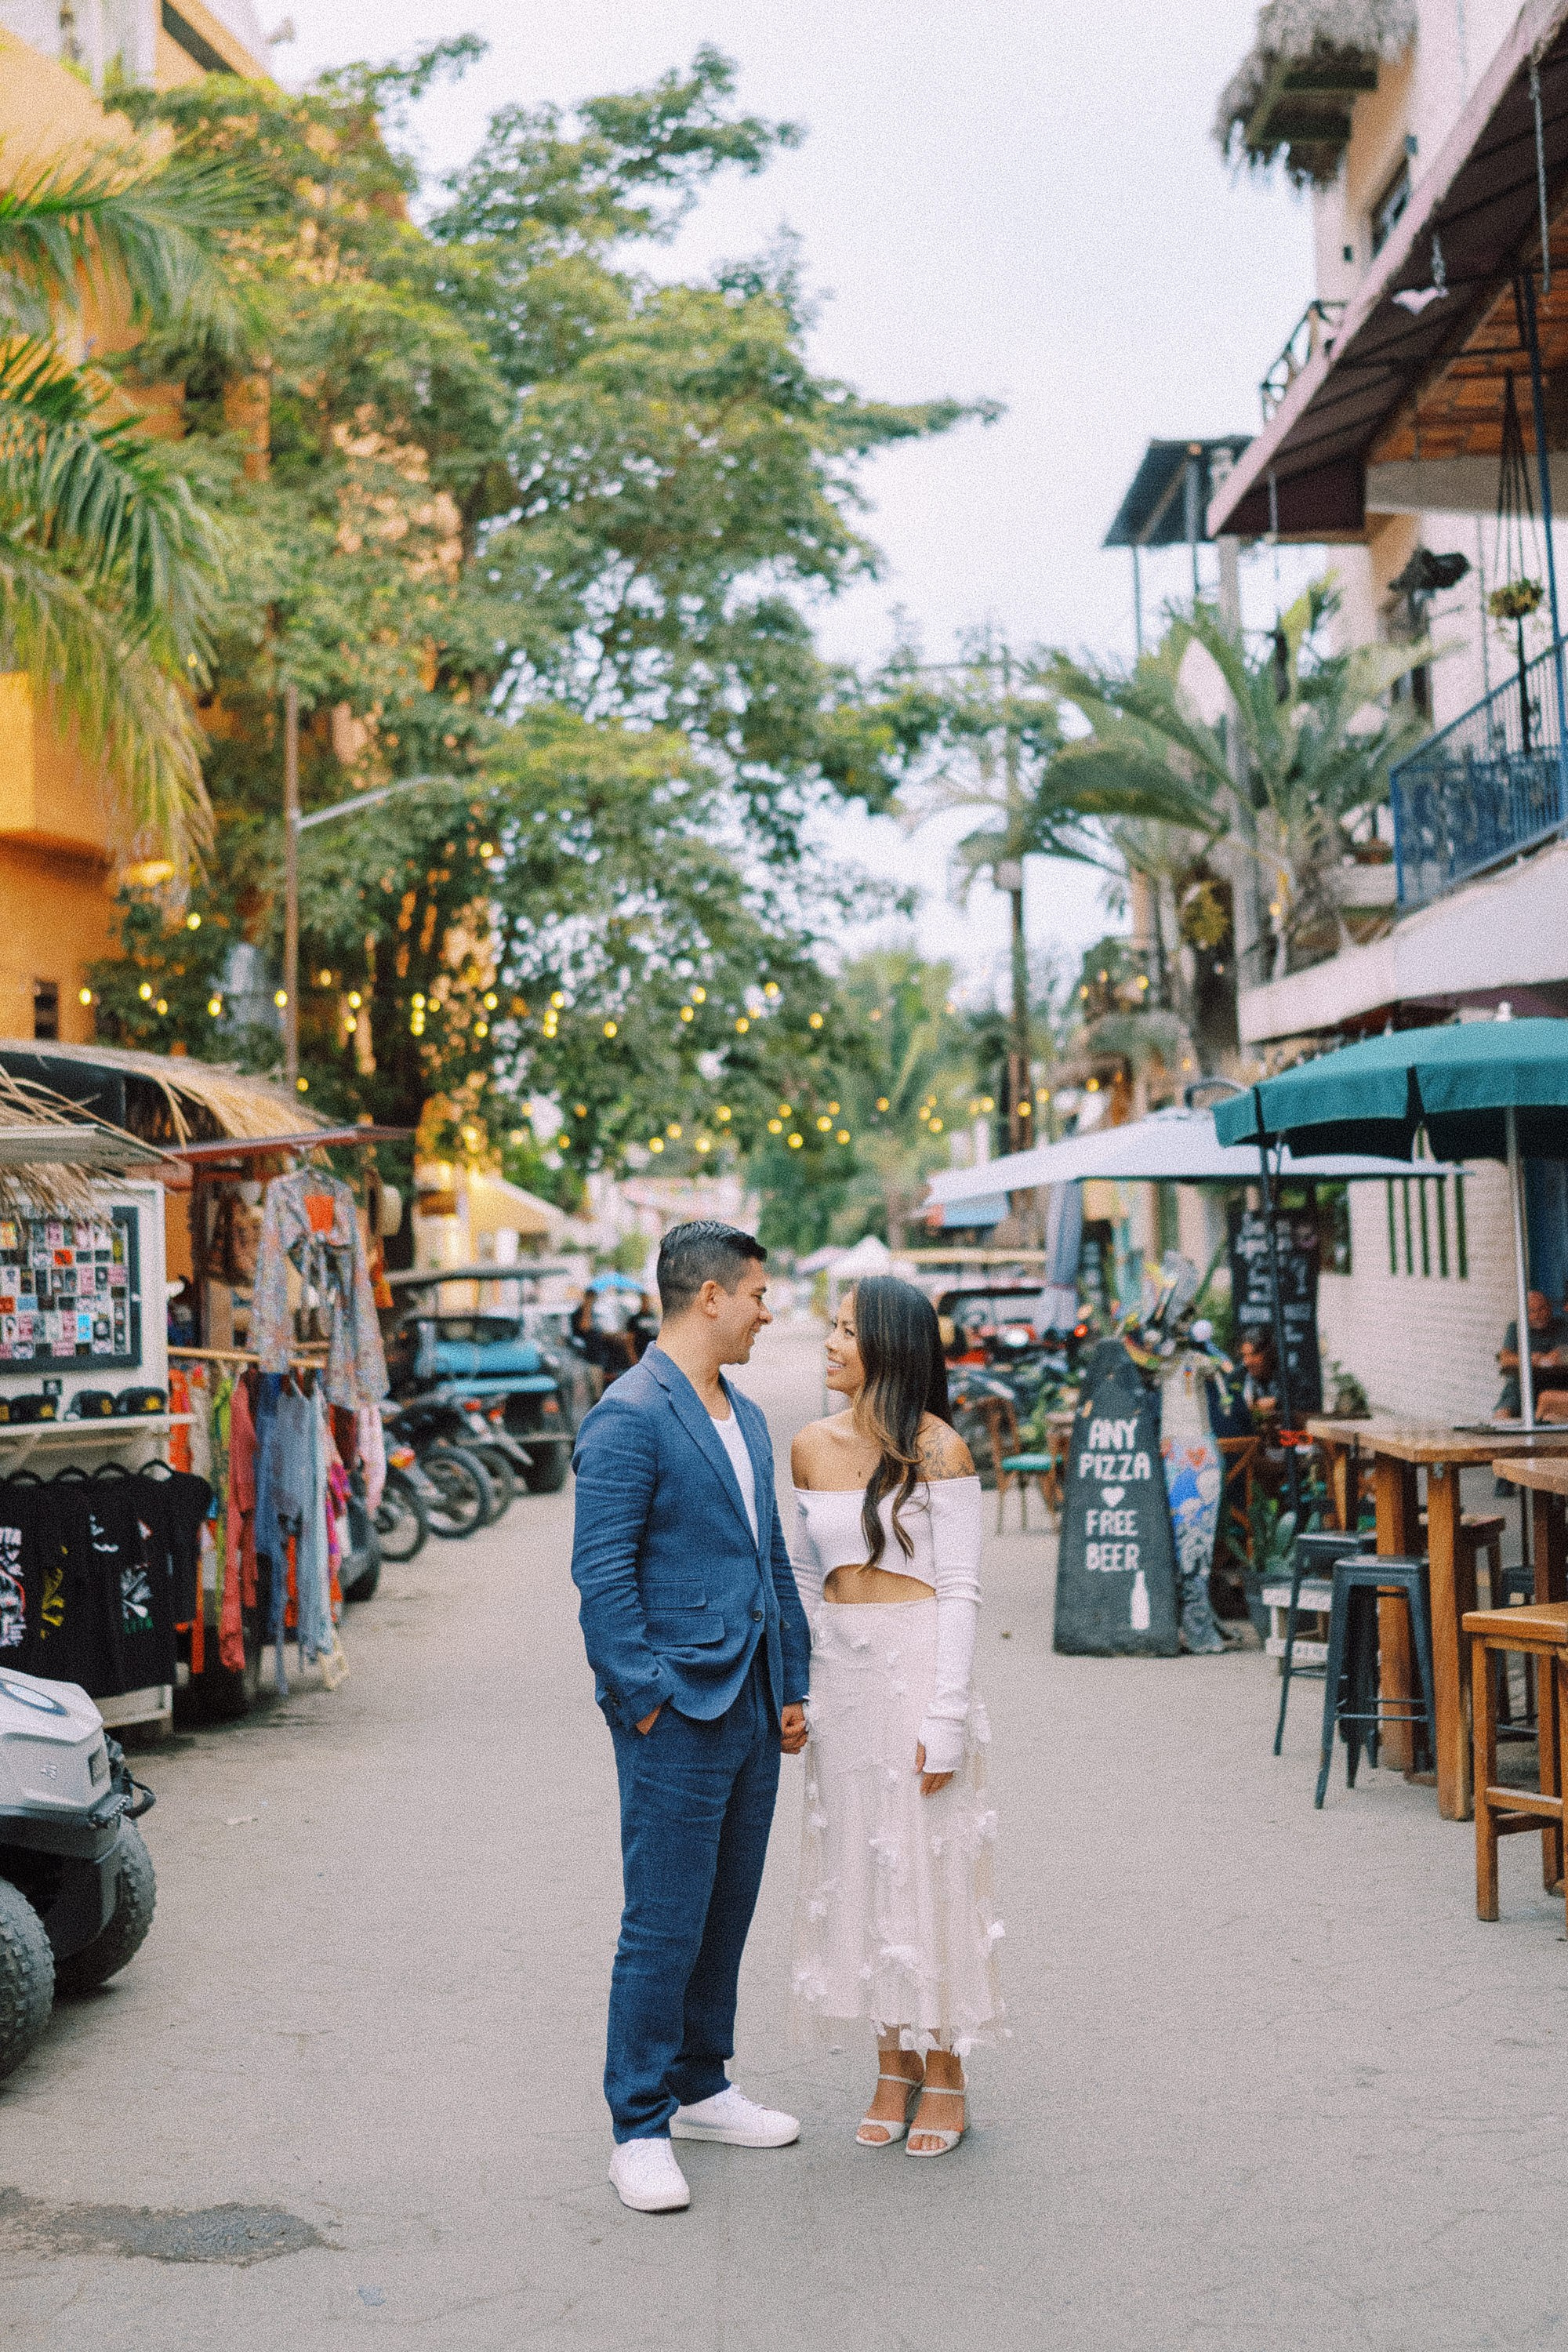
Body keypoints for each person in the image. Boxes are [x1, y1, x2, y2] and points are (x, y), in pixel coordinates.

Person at [570, 1221, 811, 2215]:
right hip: (675, 1709)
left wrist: (791, 1682)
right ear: (709, 1296)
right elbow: (600, 1576)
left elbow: (768, 1556)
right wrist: (643, 1703)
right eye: (757, 1292)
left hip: (751, 1697)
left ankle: (702, 2083)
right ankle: (636, 2125)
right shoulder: (629, 1414)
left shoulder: (744, 1415)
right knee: (662, 1919)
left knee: (727, 1907)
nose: (769, 1309)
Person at [789, 1275, 1003, 2158]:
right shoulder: (806, 1446)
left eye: (844, 1330)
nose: (829, 1344)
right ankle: (890, 2066)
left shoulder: (939, 1450)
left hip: (918, 1670)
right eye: (829, 1328)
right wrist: (796, 1687)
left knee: (929, 1870)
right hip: (839, 1678)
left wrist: (946, 1713)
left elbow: (958, 1588)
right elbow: (804, 1577)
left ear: (887, 1344)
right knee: (861, 1869)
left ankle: (944, 2069)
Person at [1496, 1289, 1568, 1418]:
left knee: (1548, 1412)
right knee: (1502, 1415)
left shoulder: (1562, 1326)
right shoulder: (1516, 1328)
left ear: (1549, 1308)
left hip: (1556, 1382)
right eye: (1532, 1312)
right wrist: (1528, 1359)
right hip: (1522, 1384)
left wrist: (1560, 1355)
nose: (1538, 1315)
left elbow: (1561, 1355)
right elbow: (1505, 1359)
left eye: (1542, 1309)